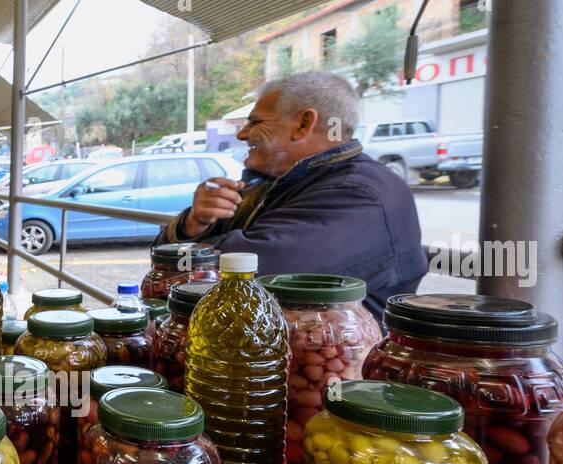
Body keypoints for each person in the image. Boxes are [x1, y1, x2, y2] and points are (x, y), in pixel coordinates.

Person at [157, 71, 426, 322]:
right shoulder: (279, 181)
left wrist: (181, 256)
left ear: (303, 124)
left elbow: (235, 273)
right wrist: (194, 222)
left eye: (255, 121)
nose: (242, 134)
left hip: (335, 366)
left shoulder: (359, 194)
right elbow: (168, 263)